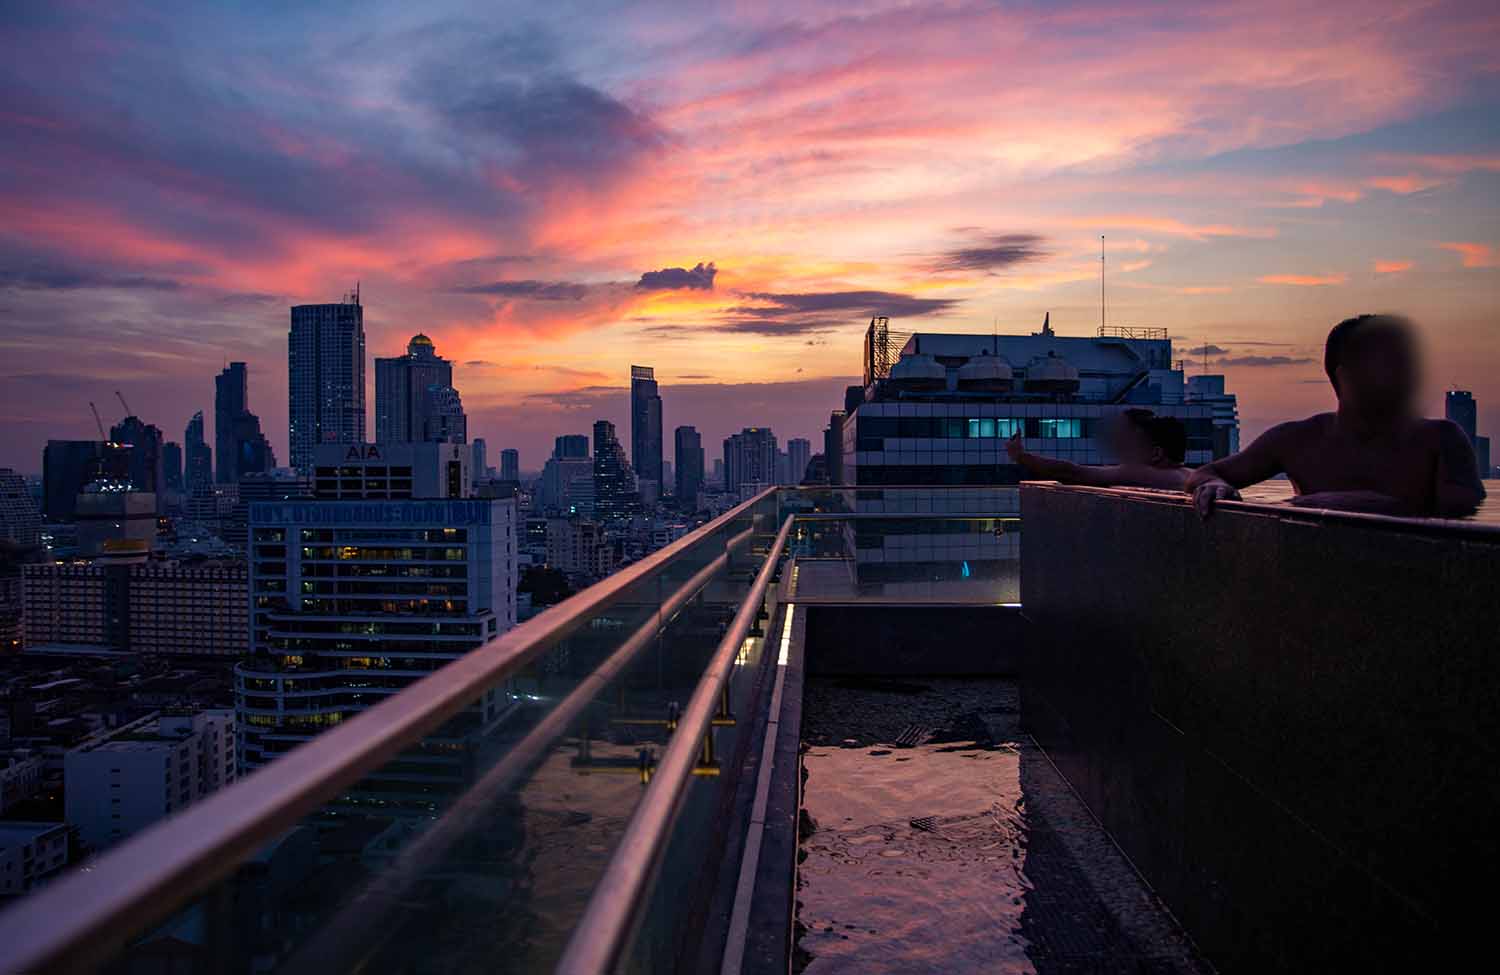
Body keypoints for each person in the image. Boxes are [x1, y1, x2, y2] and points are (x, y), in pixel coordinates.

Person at [1186, 314, 1485, 518]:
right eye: (1391, 364)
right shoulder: (1296, 439)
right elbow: (1205, 475)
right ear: (1346, 376)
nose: (1409, 376)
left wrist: (1369, 507)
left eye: (1407, 363)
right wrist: (1215, 487)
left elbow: (1467, 531)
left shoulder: (1442, 439)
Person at [1007, 408, 1191, 489]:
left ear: (1156, 453)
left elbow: (1073, 473)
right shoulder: (1191, 474)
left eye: (1137, 444)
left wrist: (1021, 456)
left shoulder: (1142, 473)